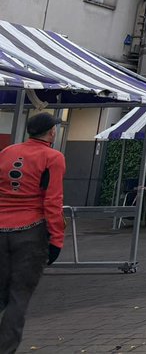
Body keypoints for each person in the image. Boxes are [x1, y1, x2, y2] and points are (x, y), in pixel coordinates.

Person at [0, 111, 65, 353]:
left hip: (1, 227)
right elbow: (52, 201)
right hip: (30, 232)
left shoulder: (7, 152)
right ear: (51, 132)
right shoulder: (53, 157)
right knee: (19, 295)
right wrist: (56, 239)